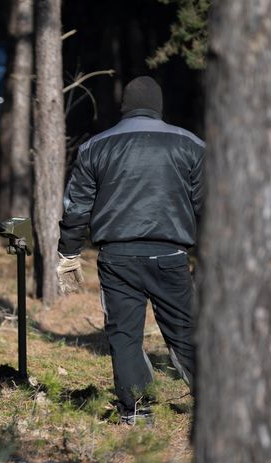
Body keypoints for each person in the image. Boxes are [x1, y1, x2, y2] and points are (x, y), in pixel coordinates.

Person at [56, 76, 204, 425]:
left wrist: (69, 252)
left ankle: (137, 411)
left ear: (125, 107)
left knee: (124, 336)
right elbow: (207, 205)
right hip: (171, 256)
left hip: (117, 257)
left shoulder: (95, 146)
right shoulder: (192, 144)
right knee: (185, 331)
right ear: (158, 107)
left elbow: (76, 205)